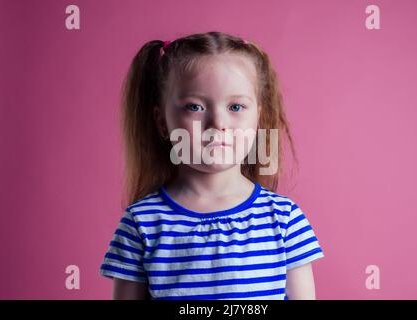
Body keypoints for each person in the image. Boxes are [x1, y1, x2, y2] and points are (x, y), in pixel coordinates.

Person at [100, 31, 324, 300]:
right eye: (194, 107)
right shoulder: (141, 224)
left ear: (258, 118)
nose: (218, 123)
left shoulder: (285, 220)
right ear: (162, 121)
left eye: (236, 107)